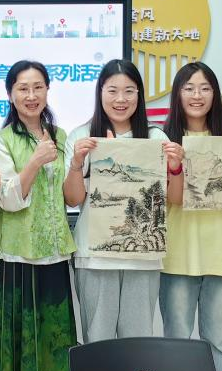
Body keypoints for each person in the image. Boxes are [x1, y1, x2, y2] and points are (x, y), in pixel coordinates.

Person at [0, 61, 77, 371]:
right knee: (14, 345)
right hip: (16, 257)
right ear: (10, 94)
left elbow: (69, 195)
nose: (31, 95)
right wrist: (35, 161)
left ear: (48, 91)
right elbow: (7, 198)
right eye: (23, 88)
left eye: (38, 87)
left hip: (54, 254)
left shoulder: (61, 135)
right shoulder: (1, 140)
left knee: (53, 344)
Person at [63, 60, 181, 342]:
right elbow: (73, 199)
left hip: (143, 258)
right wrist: (77, 163)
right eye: (112, 90)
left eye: (129, 91)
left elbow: (174, 198)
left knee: (138, 342)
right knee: (97, 340)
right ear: (100, 92)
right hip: (94, 256)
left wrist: (176, 168)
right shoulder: (81, 136)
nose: (120, 99)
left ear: (139, 94)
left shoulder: (156, 137)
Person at [159, 62, 222, 371]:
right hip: (177, 254)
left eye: (205, 88)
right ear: (177, 95)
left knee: (218, 341)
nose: (197, 95)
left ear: (215, 94)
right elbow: (170, 198)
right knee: (176, 340)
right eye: (189, 88)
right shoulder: (162, 140)